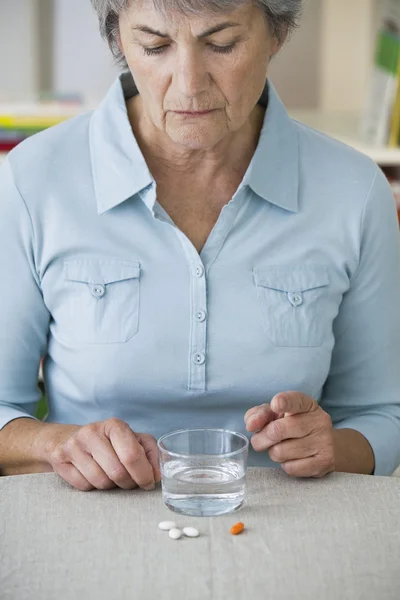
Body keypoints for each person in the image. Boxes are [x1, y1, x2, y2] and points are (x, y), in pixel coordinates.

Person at [1, 0, 400, 492]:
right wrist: (55, 445)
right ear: (118, 40)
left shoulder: (354, 191)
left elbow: (383, 414)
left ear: (277, 34)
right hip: (92, 521)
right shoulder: (32, 181)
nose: (189, 83)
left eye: (221, 44)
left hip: (289, 528)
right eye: (154, 45)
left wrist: (333, 447)